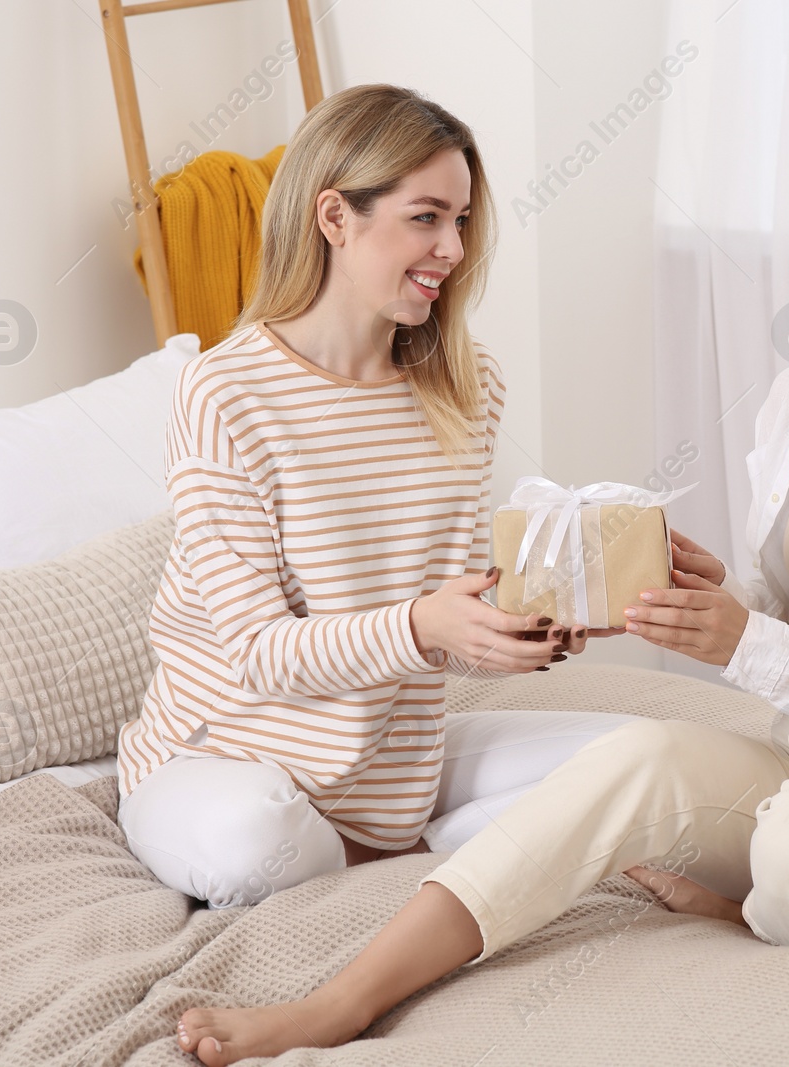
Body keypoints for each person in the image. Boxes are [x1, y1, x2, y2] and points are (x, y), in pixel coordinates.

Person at [174, 171, 789, 1065]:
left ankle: (744, 910)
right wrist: (717, 601)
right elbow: (788, 614)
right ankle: (345, 998)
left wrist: (747, 641)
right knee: (631, 759)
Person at [115, 83, 637, 915]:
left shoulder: (468, 387)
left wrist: (519, 630)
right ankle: (439, 858)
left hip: (395, 765)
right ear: (335, 217)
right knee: (258, 843)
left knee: (639, 758)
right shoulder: (225, 392)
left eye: (461, 221)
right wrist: (427, 623)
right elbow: (258, 652)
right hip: (223, 762)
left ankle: (393, 851)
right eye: (426, 216)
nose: (454, 249)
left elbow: (441, 626)